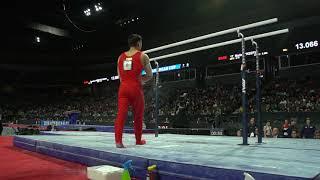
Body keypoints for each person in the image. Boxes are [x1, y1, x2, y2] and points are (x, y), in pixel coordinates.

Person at [115, 34, 153, 148]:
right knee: (138, 116)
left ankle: (118, 141)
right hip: (135, 88)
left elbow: (120, 77)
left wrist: (127, 82)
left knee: (121, 115)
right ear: (138, 43)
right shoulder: (143, 56)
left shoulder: (120, 57)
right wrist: (141, 81)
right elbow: (150, 75)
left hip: (123, 88)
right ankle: (138, 140)